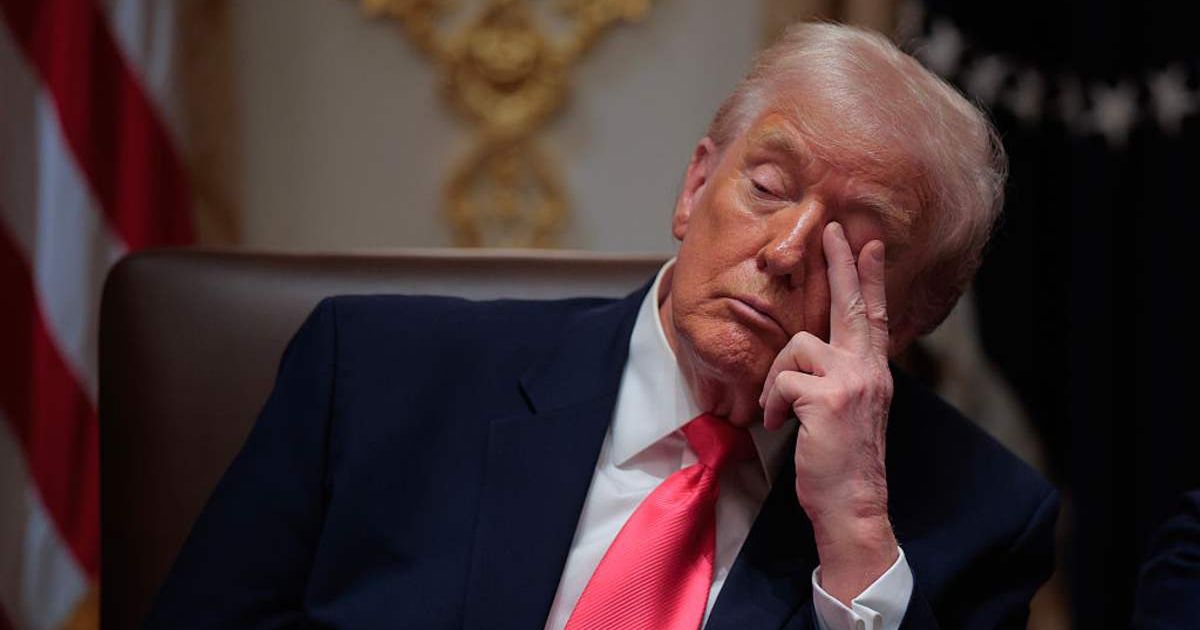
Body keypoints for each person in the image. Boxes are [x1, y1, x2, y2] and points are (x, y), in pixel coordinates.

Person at [147, 22, 1057, 629]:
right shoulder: (377, 380)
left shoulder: (974, 520)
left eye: (852, 245)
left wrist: (856, 533)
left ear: (919, 315)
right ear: (696, 185)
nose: (784, 250)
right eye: (768, 188)